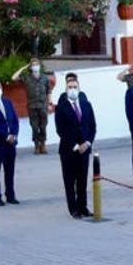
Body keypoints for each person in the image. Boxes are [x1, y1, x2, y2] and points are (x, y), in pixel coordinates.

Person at [54, 75, 96, 219]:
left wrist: (87, 143)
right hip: (69, 150)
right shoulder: (61, 107)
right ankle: (73, 209)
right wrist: (75, 145)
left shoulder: (86, 104)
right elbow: (61, 130)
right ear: (66, 90)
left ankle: (83, 206)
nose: (73, 90)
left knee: (82, 180)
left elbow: (92, 126)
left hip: (85, 149)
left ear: (79, 89)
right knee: (70, 181)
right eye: (70, 87)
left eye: (75, 87)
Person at [12, 58, 54, 154]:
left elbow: (48, 91)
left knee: (43, 126)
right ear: (31, 67)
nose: (35, 66)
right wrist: (23, 68)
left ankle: (43, 144)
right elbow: (13, 78)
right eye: (33, 65)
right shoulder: (27, 78)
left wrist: (50, 103)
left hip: (43, 105)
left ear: (39, 66)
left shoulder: (44, 78)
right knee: (34, 127)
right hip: (32, 106)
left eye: (37, 64)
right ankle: (36, 145)